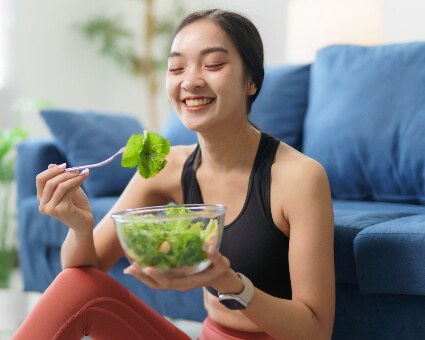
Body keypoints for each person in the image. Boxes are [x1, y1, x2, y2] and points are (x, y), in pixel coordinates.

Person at [13, 8, 335, 340]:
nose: (190, 81)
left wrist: (231, 285)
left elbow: (315, 331)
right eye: (176, 68)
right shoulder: (165, 168)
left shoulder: (300, 177)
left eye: (212, 65)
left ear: (251, 80)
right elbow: (84, 274)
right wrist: (80, 227)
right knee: (75, 285)